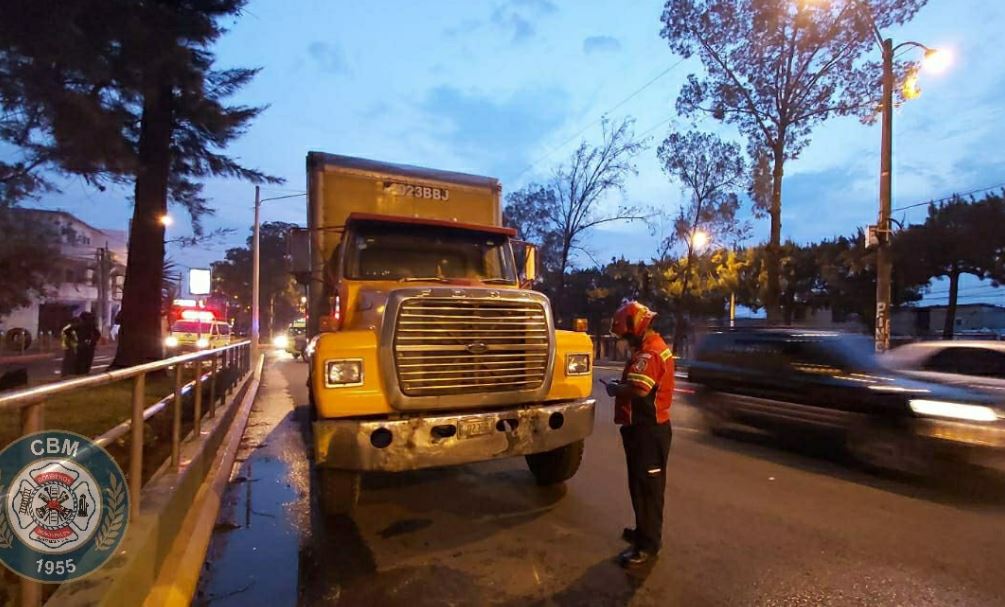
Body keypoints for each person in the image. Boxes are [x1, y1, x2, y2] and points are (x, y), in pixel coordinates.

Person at [604, 301, 674, 568]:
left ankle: (648, 546)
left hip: (649, 432)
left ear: (635, 329)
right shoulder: (648, 348)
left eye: (624, 335)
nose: (623, 340)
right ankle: (643, 531)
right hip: (641, 431)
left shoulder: (651, 353)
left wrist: (615, 389)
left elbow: (640, 390)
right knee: (639, 486)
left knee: (648, 490)